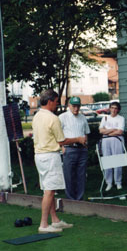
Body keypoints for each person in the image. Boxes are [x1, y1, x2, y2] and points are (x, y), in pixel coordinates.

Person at [33, 89, 85, 233]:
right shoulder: (53, 118)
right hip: (49, 156)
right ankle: (43, 225)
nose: (57, 105)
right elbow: (62, 140)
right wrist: (78, 139)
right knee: (49, 191)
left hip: (39, 156)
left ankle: (54, 220)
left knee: (49, 189)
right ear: (49, 101)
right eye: (56, 102)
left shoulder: (37, 116)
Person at [59, 96, 90, 200]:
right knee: (69, 176)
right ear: (69, 106)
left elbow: (86, 133)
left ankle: (80, 199)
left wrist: (86, 144)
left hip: (82, 150)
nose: (76, 109)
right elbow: (57, 135)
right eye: (74, 106)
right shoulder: (62, 117)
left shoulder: (83, 117)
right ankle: (70, 199)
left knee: (81, 176)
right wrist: (62, 147)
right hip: (69, 149)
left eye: (78, 106)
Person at [99, 101, 126, 191]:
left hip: (117, 141)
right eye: (112, 108)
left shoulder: (121, 118)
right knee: (108, 161)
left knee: (117, 161)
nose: (114, 110)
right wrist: (113, 129)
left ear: (118, 110)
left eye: (116, 108)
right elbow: (101, 131)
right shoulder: (105, 118)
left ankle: (118, 182)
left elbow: (120, 131)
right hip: (106, 142)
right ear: (110, 108)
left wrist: (107, 132)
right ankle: (109, 183)